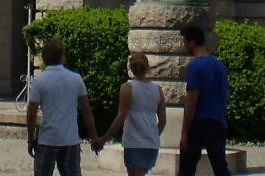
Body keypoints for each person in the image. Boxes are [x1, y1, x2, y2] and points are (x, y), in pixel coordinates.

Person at [26, 37, 100, 176]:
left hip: (47, 139)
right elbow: (86, 111)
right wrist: (94, 136)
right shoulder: (76, 79)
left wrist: (31, 139)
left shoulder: (39, 81)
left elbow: (31, 115)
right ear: (62, 57)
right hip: (70, 139)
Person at [91, 52, 166, 175]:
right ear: (147, 67)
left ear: (131, 68)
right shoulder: (157, 90)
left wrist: (104, 139)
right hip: (151, 143)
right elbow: (163, 120)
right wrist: (153, 135)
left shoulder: (127, 88)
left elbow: (121, 116)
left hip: (133, 142)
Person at [178, 26, 230, 176]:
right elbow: (225, 94)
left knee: (186, 169)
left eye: (185, 41)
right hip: (218, 123)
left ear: (192, 42)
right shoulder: (219, 65)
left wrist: (184, 132)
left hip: (199, 123)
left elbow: (191, 101)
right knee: (221, 168)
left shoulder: (195, 66)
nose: (184, 45)